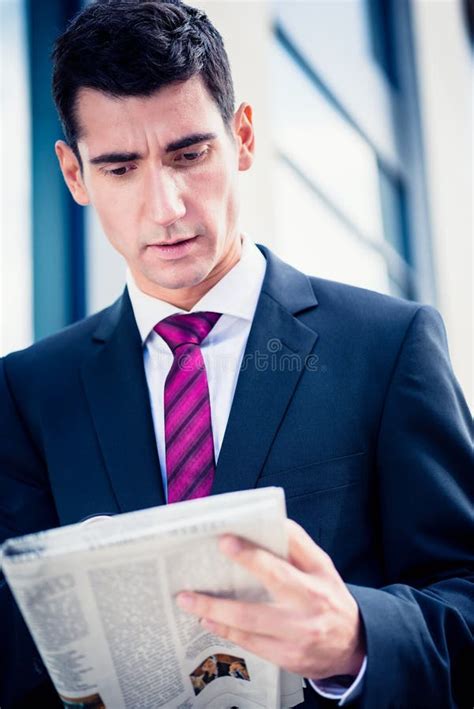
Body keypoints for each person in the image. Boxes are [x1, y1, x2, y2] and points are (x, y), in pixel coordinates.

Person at [0, 1, 472, 707]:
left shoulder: (387, 344)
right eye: (120, 168)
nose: (166, 206)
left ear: (242, 136)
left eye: (189, 154)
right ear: (74, 175)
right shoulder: (29, 392)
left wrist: (358, 636)